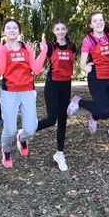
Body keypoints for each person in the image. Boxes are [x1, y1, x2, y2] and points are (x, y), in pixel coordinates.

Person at [0, 18, 46, 169]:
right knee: (10, 129)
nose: (12, 30)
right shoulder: (0, 47)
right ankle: (6, 150)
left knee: (31, 129)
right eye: (8, 27)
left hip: (27, 91)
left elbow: (36, 69)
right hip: (10, 92)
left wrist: (43, 52)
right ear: (4, 31)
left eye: (15, 28)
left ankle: (22, 138)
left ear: (19, 31)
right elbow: (1, 70)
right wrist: (5, 49)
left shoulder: (26, 47)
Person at [67, 11, 109, 133]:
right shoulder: (88, 40)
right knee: (104, 112)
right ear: (91, 25)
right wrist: (85, 68)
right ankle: (79, 101)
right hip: (96, 78)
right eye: (95, 21)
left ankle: (94, 115)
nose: (99, 23)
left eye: (101, 20)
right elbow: (82, 64)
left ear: (104, 21)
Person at [36, 21, 77, 171]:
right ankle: (27, 131)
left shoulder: (72, 46)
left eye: (63, 29)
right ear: (54, 31)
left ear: (66, 30)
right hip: (52, 85)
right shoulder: (50, 47)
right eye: (57, 29)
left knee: (63, 120)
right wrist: (42, 53)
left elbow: (70, 63)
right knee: (51, 120)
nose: (60, 31)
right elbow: (39, 64)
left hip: (66, 85)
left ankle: (60, 153)